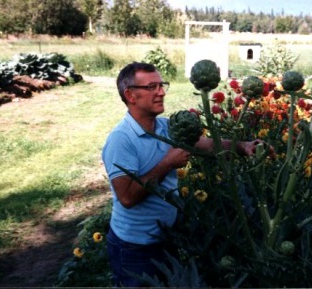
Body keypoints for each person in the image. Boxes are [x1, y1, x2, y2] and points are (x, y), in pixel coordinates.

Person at [102, 62, 267, 287]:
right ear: (130, 95)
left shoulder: (166, 127)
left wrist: (242, 146)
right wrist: (168, 163)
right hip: (134, 247)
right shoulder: (121, 140)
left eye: (162, 85)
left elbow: (207, 145)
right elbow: (127, 198)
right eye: (152, 87)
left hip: (166, 238)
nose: (161, 92)